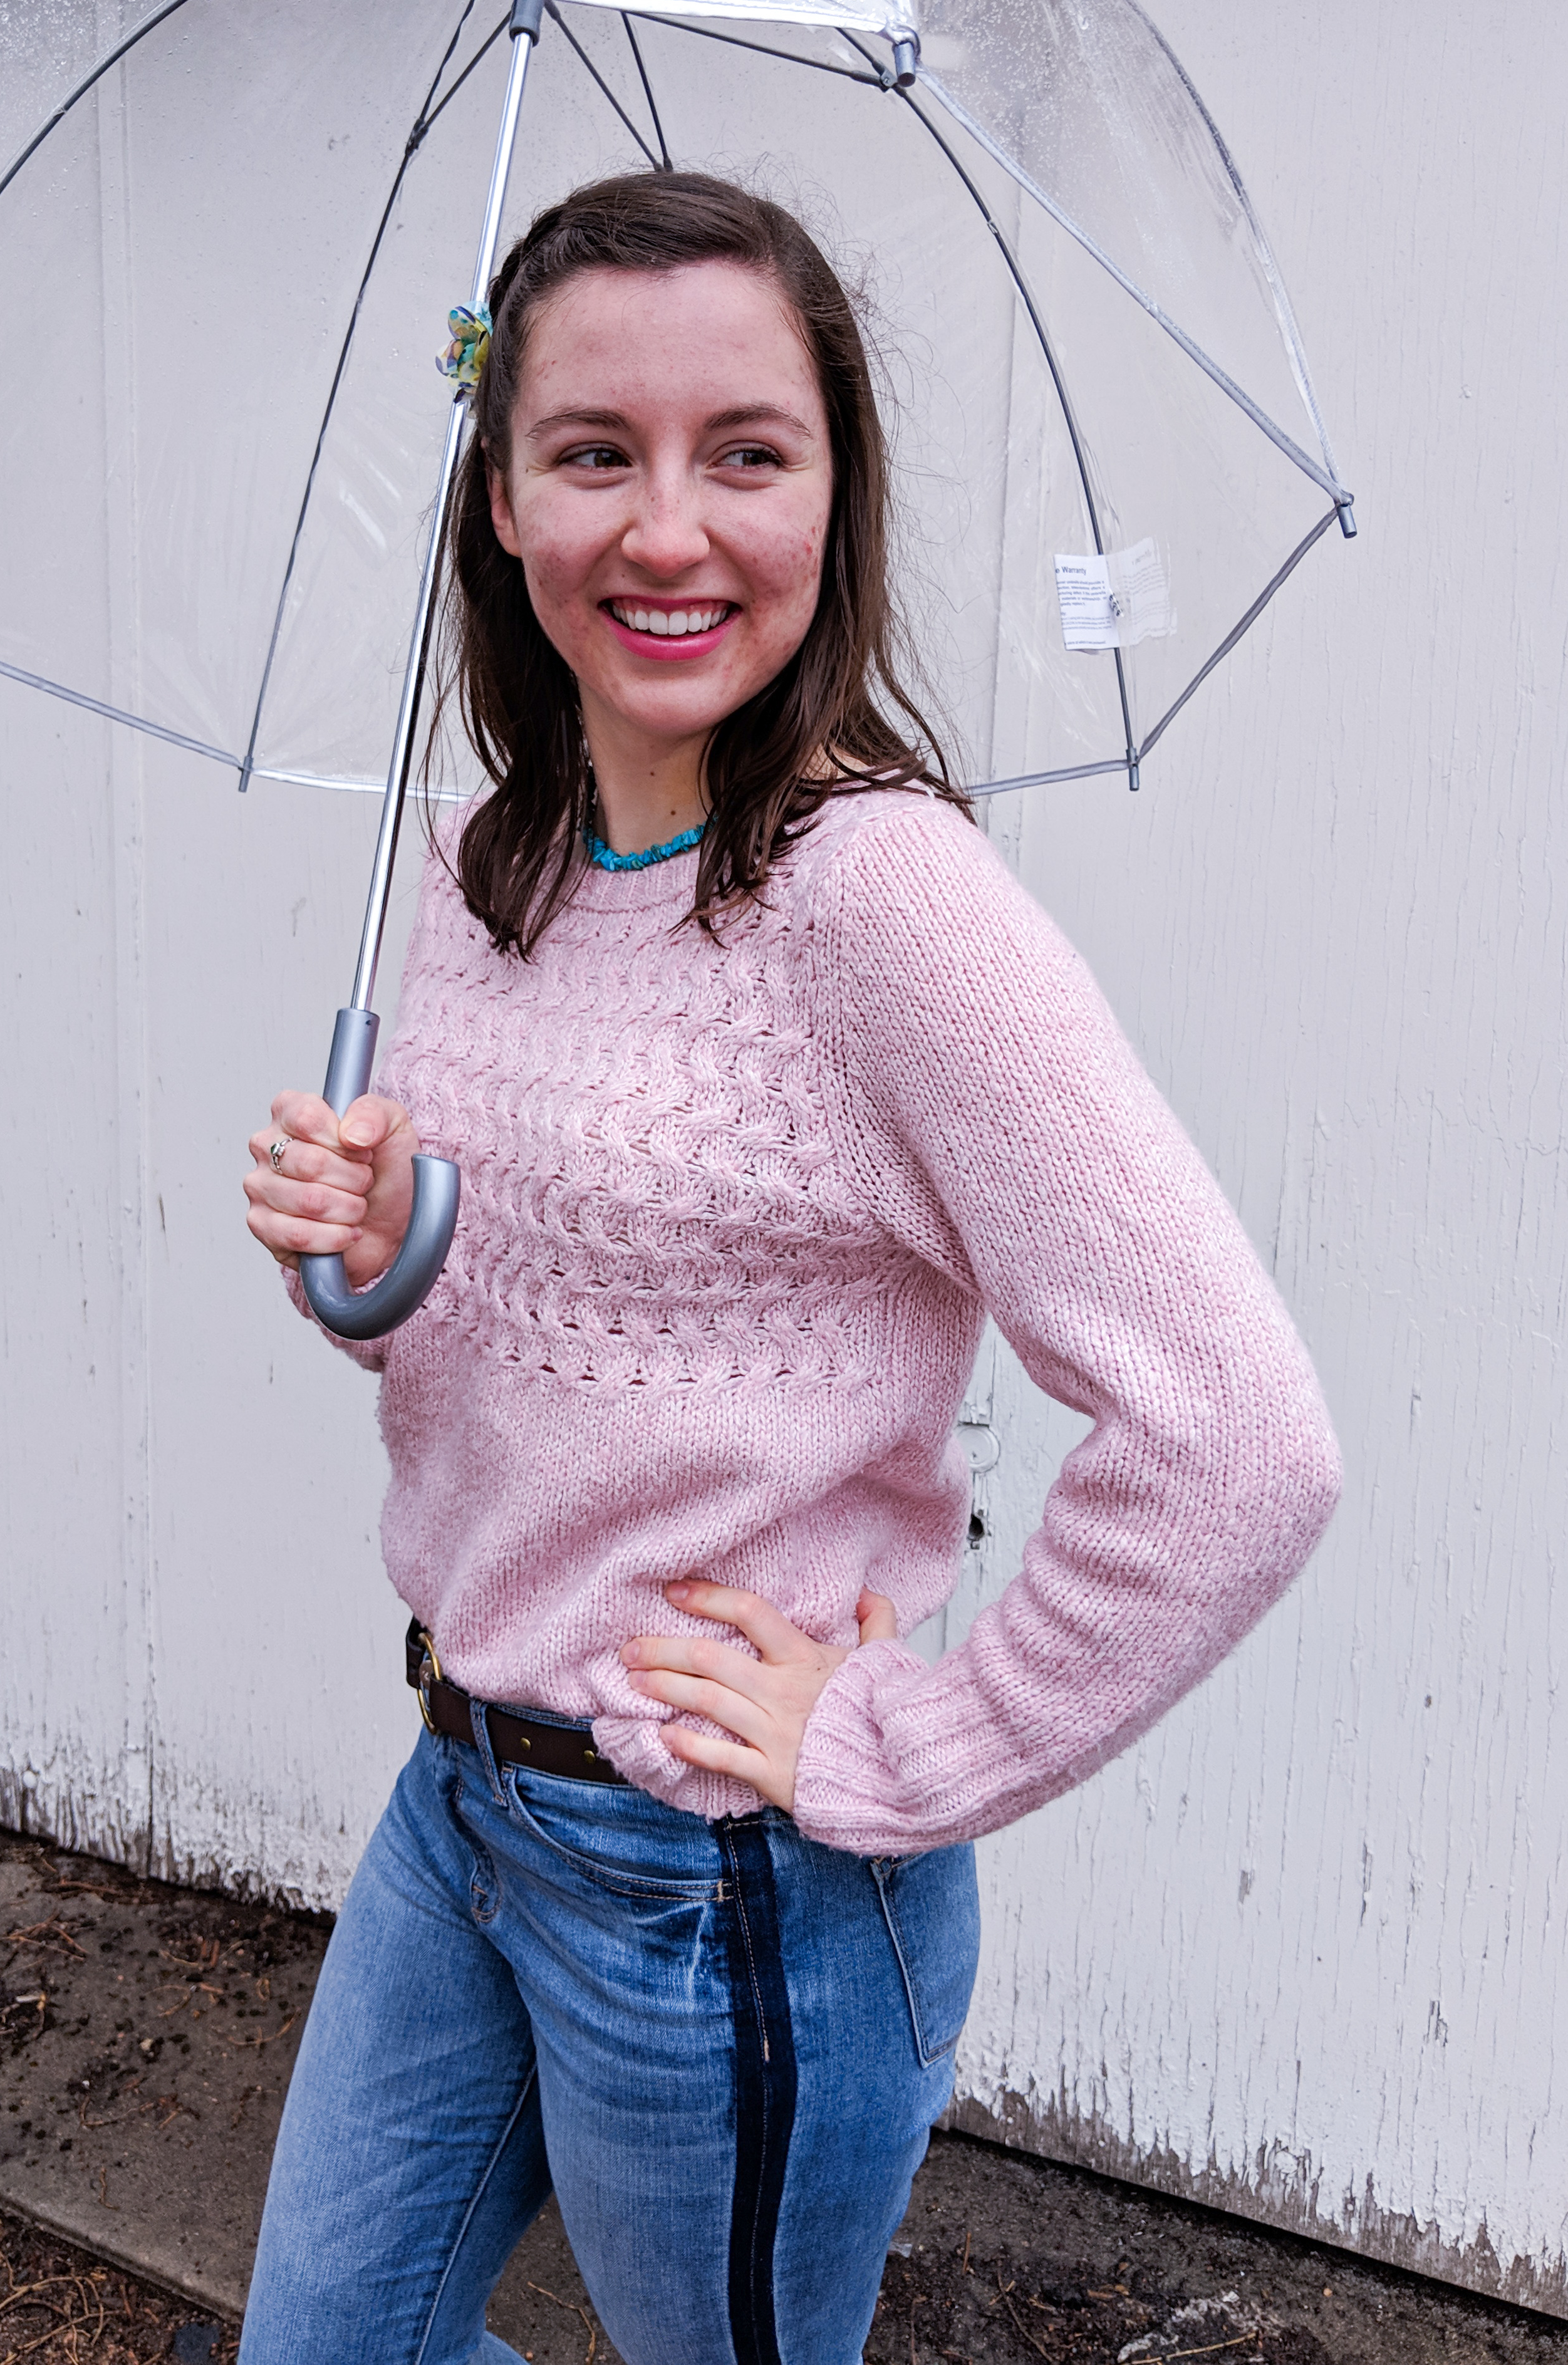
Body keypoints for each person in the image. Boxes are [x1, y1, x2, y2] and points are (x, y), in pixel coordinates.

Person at [237, 171, 1341, 2365]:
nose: (670, 530)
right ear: (500, 502)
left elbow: (1242, 1439)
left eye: (747, 451)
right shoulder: (484, 862)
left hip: (721, 1889)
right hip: (462, 1796)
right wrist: (381, 1258)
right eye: (593, 454)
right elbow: (541, 1340)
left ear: (836, 488)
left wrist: (915, 1742)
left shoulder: (881, 904)